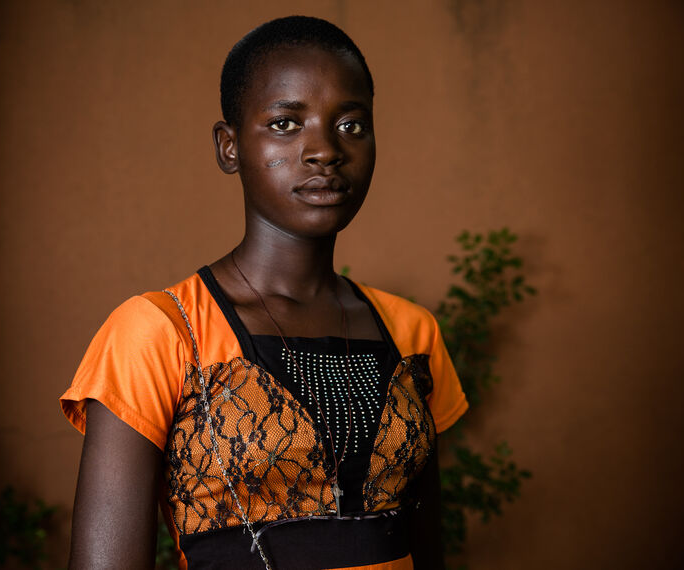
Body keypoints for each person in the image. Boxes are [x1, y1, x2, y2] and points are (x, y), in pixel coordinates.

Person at [60, 15, 467, 570]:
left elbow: (430, 551)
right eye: (285, 124)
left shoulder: (411, 331)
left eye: (351, 126)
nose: (324, 150)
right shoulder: (158, 332)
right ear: (229, 147)